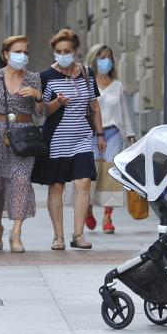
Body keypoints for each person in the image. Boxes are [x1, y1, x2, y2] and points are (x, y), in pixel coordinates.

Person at [33, 28, 106, 250]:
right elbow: (42, 111)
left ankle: (78, 234)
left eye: (67, 50)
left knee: (83, 183)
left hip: (82, 136)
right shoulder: (46, 76)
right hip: (56, 139)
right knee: (57, 187)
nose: (63, 54)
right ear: (54, 51)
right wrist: (58, 103)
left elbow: (94, 106)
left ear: (74, 51)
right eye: (58, 51)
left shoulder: (86, 73)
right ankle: (58, 237)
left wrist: (100, 134)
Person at [0, 35, 43, 252]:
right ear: (6, 54)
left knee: (21, 181)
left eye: (25, 52)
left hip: (24, 136)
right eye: (18, 52)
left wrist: (38, 96)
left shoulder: (33, 78)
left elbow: (39, 113)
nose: (22, 56)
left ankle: (16, 233)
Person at [83, 44, 135, 234]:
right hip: (90, 133)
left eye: (109, 57)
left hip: (113, 133)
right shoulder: (87, 83)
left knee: (110, 175)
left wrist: (130, 134)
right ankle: (87, 208)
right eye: (103, 57)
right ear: (94, 59)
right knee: (90, 173)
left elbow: (125, 112)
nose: (107, 61)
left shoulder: (117, 85)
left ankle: (107, 216)